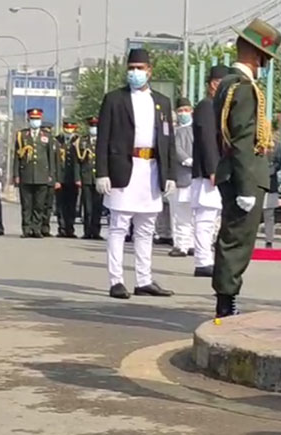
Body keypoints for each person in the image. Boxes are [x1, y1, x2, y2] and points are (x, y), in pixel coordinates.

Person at [212, 19, 281, 317]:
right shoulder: (243, 88)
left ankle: (227, 298)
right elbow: (241, 137)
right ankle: (226, 302)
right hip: (245, 175)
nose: (265, 64)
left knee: (233, 237)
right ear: (256, 56)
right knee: (237, 241)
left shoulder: (227, 84)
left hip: (237, 171)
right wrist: (244, 186)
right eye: (266, 58)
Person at [95, 48, 176, 299]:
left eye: (140, 68)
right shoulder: (114, 99)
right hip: (123, 167)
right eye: (131, 68)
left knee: (145, 228)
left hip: (151, 169)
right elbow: (103, 139)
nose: (135, 73)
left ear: (150, 71)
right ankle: (116, 280)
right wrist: (102, 172)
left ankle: (144, 279)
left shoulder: (162, 102)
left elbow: (168, 141)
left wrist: (169, 174)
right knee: (119, 226)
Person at [191, 66, 229, 278]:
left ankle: (208, 257)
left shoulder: (217, 107)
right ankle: (203, 260)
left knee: (213, 218)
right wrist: (213, 169)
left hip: (216, 170)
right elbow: (207, 139)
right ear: (214, 84)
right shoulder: (207, 106)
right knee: (205, 218)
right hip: (209, 172)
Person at [14, 108, 60, 238]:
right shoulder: (22, 135)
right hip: (26, 174)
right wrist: (16, 175)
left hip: (42, 175)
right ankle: (26, 228)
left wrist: (52, 175)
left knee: (39, 205)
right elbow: (16, 157)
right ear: (28, 120)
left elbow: (51, 157)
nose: (35, 121)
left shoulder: (47, 136)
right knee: (26, 204)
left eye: (37, 119)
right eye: (33, 119)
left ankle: (37, 228)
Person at [169, 97, 195, 258]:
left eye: (186, 110)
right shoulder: (174, 131)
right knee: (179, 214)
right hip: (180, 178)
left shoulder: (198, 129)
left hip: (195, 177)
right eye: (180, 111)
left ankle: (191, 244)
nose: (183, 113)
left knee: (194, 214)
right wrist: (186, 159)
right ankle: (180, 244)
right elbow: (175, 148)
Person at [56, 120, 82, 238]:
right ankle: (61, 228)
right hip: (61, 177)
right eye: (67, 128)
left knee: (72, 204)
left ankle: (70, 228)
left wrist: (78, 178)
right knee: (61, 204)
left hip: (73, 178)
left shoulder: (79, 141)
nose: (69, 131)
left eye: (71, 128)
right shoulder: (57, 140)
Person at [79, 117, 103, 240]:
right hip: (86, 178)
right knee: (87, 208)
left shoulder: (103, 142)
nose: (93, 129)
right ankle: (87, 231)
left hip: (99, 178)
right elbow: (78, 162)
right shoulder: (82, 142)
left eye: (95, 126)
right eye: (92, 126)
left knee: (97, 207)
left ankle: (96, 232)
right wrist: (78, 178)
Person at [262, 144, 281, 249]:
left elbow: (279, 163)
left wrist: (269, 171)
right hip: (255, 183)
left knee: (269, 215)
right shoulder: (255, 142)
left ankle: (269, 240)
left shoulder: (276, 145)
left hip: (271, 184)